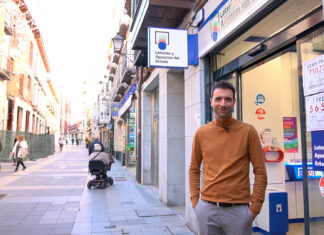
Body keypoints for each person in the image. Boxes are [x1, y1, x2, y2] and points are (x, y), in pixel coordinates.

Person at [189, 81, 267, 235]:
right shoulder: (201, 133)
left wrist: (254, 208)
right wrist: (195, 202)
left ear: (234, 102)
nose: (223, 103)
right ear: (211, 102)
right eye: (218, 99)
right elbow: (193, 169)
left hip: (238, 211)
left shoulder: (248, 132)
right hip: (206, 209)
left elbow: (260, 172)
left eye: (228, 99)